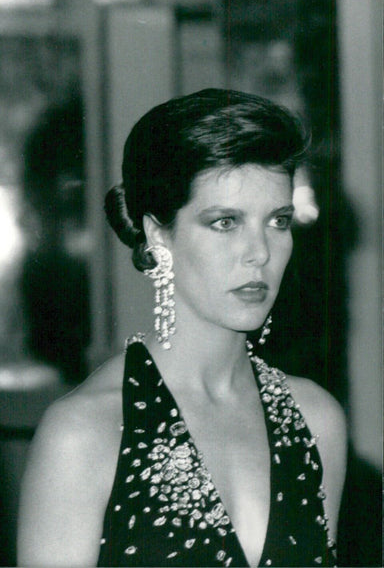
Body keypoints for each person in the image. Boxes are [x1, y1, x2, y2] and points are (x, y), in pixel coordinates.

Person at [17, 89, 346, 567]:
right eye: (225, 222)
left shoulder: (317, 421)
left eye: (277, 221)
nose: (260, 252)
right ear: (157, 234)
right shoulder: (86, 433)